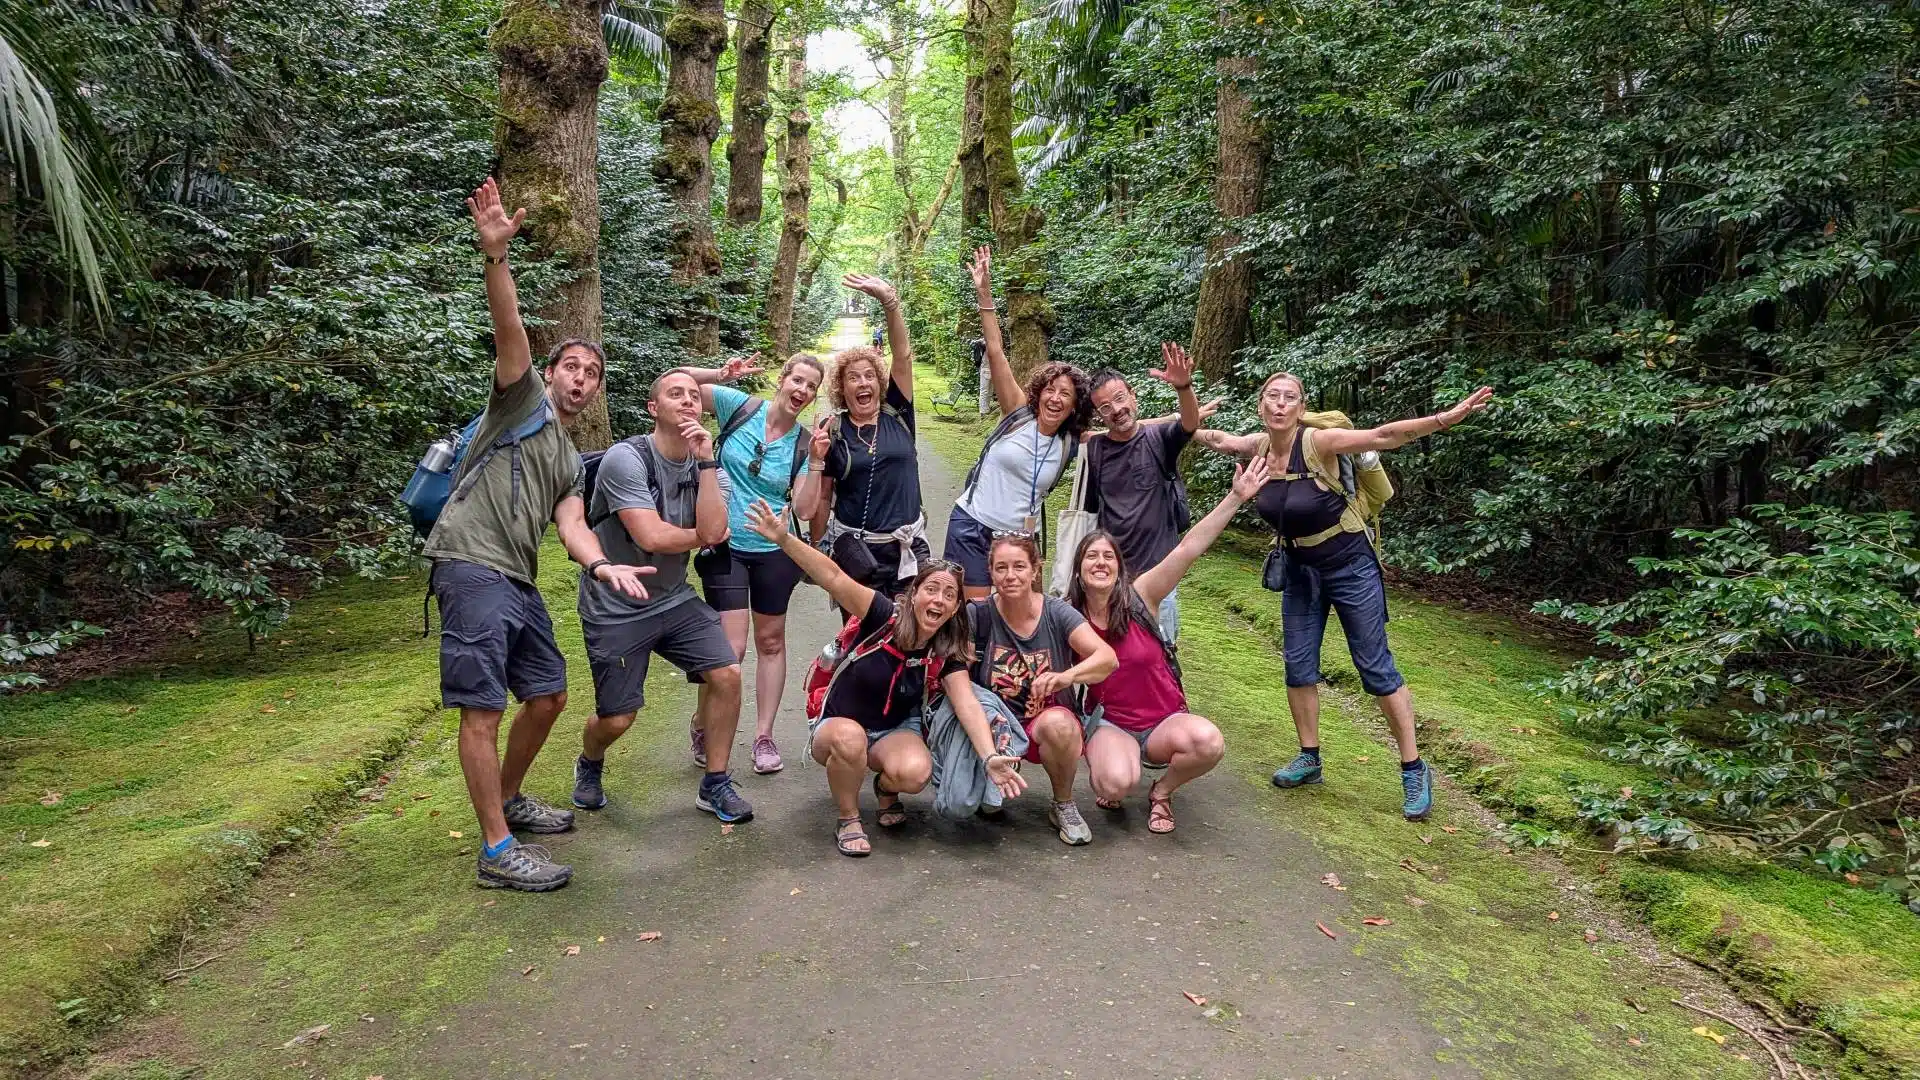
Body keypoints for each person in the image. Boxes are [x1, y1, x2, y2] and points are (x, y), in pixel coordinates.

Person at [425, 178, 655, 892]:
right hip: (470, 562)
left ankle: (511, 800)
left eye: (593, 373)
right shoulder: (519, 399)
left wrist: (601, 567)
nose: (582, 379)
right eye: (573, 367)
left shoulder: (568, 456)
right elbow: (510, 330)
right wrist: (496, 257)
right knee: (483, 708)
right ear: (550, 373)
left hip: (515, 578)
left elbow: (571, 523)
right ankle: (496, 851)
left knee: (549, 693)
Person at [1194, 372, 1494, 820]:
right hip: (1299, 570)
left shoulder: (1320, 443)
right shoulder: (1255, 447)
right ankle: (1309, 758)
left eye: (1288, 398)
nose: (1279, 404)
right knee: (1298, 665)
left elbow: (1383, 435)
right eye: (1272, 397)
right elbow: (1207, 436)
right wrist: (1178, 413)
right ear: (1261, 406)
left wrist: (1445, 419)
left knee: (1374, 666)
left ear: (1300, 407)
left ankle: (1413, 767)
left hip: (1350, 565)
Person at [743, 500, 1026, 856]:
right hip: (838, 725)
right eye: (931, 589)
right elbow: (833, 577)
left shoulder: (944, 648)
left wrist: (988, 758)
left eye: (949, 595)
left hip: (893, 730)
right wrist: (784, 539)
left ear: (955, 608)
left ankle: (886, 789)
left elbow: (966, 703)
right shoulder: (881, 615)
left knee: (915, 773)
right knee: (849, 739)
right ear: (914, 595)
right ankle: (848, 817)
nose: (938, 600)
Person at [569, 370, 755, 825]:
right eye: (676, 394)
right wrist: (701, 533)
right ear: (654, 408)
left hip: (673, 599)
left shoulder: (708, 465)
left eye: (694, 395)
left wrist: (707, 463)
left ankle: (715, 783)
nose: (689, 401)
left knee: (727, 673)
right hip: (614, 606)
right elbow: (650, 534)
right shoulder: (624, 459)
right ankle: (589, 761)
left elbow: (713, 532)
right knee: (618, 719)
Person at [1070, 457, 1270, 833]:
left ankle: (1162, 791)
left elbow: (1187, 549)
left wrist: (1235, 497)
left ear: (1118, 566)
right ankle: (1116, 766)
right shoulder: (1069, 617)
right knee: (1114, 784)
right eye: (1090, 556)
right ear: (1078, 569)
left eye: (1107, 556)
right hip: (1112, 722)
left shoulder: (1141, 596)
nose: (1100, 562)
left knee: (1208, 742)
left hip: (1164, 720)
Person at [671, 353, 828, 775]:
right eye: (798, 380)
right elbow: (676, 384)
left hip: (774, 552)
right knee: (730, 648)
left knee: (771, 642)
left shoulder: (803, 442)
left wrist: (816, 461)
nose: (802, 391)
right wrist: (718, 373)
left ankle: (763, 736)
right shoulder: (736, 406)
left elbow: (809, 510)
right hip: (724, 545)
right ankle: (705, 722)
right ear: (782, 380)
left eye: (811, 387)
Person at [946, 246, 1092, 599]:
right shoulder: (1016, 414)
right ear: (1039, 392)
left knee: (1020, 619)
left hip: (1018, 540)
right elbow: (995, 351)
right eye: (1051, 390)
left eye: (1066, 395)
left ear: (1074, 406)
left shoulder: (1071, 443)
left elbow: (1125, 431)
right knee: (976, 615)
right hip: (971, 524)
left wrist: (1180, 416)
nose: (1055, 398)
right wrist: (985, 294)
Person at [969, 533, 1117, 844]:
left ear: (1036, 570)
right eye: (1001, 568)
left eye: (1020, 566)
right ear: (991, 572)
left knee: (1060, 724)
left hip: (1041, 723)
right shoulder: (977, 615)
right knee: (970, 807)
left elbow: (1107, 658)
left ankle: (1063, 802)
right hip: (993, 727)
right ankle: (983, 781)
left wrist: (1066, 677)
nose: (1010, 576)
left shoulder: (1057, 612)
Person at [812, 272, 928, 594]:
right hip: (858, 555)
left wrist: (890, 302)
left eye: (869, 376)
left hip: (909, 548)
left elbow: (902, 356)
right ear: (841, 387)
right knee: (859, 637)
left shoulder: (898, 413)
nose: (863, 383)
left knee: (910, 636)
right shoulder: (834, 431)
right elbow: (823, 496)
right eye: (853, 378)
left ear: (879, 382)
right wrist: (818, 547)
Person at [1082, 341, 1203, 641]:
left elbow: (1189, 423)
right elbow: (1093, 513)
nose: (1117, 410)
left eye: (1120, 398)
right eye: (1105, 407)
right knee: (1114, 653)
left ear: (1133, 396)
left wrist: (1184, 387)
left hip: (1159, 574)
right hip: (1111, 575)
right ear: (1099, 414)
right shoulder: (1095, 449)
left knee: (1161, 653)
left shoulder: (1159, 438)